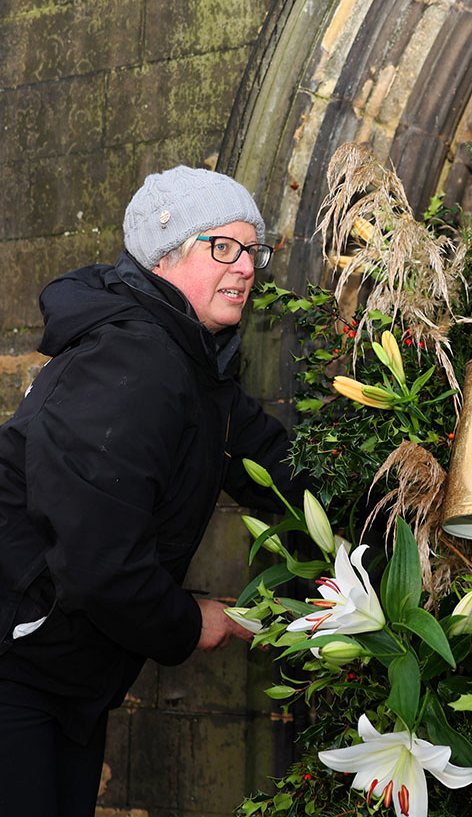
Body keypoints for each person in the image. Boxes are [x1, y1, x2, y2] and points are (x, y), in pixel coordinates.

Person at [0, 166, 303, 814]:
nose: (247, 266)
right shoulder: (130, 363)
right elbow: (97, 560)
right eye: (222, 247)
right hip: (15, 668)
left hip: (65, 679)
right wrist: (192, 621)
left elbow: (275, 466)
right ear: (164, 258)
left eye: (253, 250)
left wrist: (390, 512)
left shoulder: (197, 372)